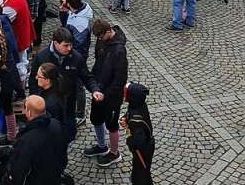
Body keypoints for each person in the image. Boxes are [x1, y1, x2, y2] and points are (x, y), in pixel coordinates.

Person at [28, 26, 102, 144]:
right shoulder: (42, 57)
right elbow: (33, 81)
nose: (69, 48)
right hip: (47, 107)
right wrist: (35, 101)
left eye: (71, 45)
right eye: (66, 45)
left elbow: (86, 76)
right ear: (56, 43)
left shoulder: (76, 57)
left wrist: (95, 90)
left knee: (67, 136)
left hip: (68, 106)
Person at [87, 18, 129, 168]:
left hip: (112, 96)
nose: (99, 40)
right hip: (99, 89)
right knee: (96, 119)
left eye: (100, 37)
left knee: (111, 124)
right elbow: (98, 62)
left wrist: (107, 93)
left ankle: (114, 152)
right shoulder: (101, 41)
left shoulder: (119, 51)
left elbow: (120, 79)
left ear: (108, 31)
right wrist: (95, 86)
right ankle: (101, 146)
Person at [6, 95, 67, 185]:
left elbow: (19, 172)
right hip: (54, 176)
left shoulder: (27, 140)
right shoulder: (56, 124)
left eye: (25, 106)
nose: (22, 107)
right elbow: (63, 152)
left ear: (29, 113)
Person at [123, 82, 155, 185]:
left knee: (141, 175)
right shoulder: (139, 105)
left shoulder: (136, 119)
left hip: (143, 150)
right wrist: (126, 119)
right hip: (146, 145)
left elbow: (137, 142)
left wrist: (129, 137)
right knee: (142, 171)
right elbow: (130, 113)